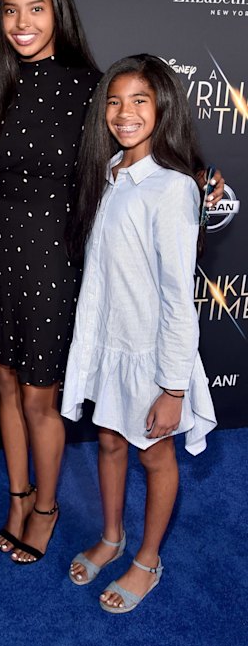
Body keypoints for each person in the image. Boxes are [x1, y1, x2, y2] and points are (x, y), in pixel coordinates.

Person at [0, 0, 100, 564]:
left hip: (50, 258)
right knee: (5, 385)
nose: (22, 23)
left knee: (41, 396)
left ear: (58, 13)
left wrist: (196, 178)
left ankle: (47, 506)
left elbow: (134, 148)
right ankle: (18, 495)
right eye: (10, 10)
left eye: (35, 9)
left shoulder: (89, 86)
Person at [62, 54, 216, 613]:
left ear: (163, 107)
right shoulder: (108, 174)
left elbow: (180, 296)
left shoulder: (173, 189)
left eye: (140, 100)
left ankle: (148, 559)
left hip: (152, 357)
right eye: (114, 101)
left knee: (153, 456)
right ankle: (112, 537)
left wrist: (173, 389)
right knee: (107, 441)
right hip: (109, 345)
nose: (124, 113)